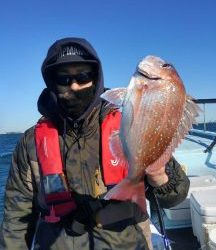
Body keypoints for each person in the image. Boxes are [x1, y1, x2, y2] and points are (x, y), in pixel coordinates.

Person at [0, 37, 190, 250]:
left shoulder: (128, 123)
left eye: (83, 76)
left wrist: (158, 176)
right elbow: (16, 217)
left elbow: (176, 195)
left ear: (96, 77)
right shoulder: (30, 141)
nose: (74, 85)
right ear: (51, 82)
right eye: (63, 79)